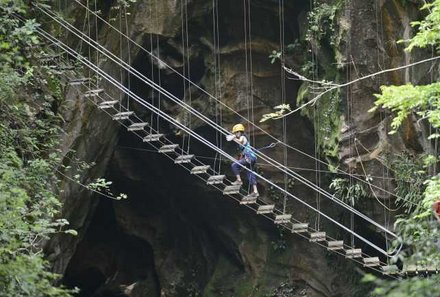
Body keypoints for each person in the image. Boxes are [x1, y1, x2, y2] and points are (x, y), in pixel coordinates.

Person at [226, 123, 259, 198]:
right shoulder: (241, 140)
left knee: (234, 165)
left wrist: (233, 137)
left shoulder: (243, 137)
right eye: (235, 133)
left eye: (236, 132)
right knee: (250, 173)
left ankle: (239, 181)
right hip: (251, 158)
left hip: (249, 157)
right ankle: (255, 191)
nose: (236, 134)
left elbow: (240, 141)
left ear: (240, 132)